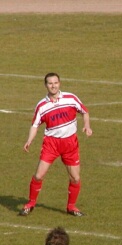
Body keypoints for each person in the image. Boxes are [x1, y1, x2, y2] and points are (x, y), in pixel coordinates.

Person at [19, 72, 93, 217]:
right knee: (39, 175)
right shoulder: (42, 105)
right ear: (46, 85)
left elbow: (85, 112)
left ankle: (71, 207)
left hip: (70, 144)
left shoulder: (71, 98)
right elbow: (35, 125)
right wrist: (29, 140)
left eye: (55, 83)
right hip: (51, 145)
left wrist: (87, 125)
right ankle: (30, 203)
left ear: (60, 83)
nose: (53, 86)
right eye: (50, 83)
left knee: (75, 178)